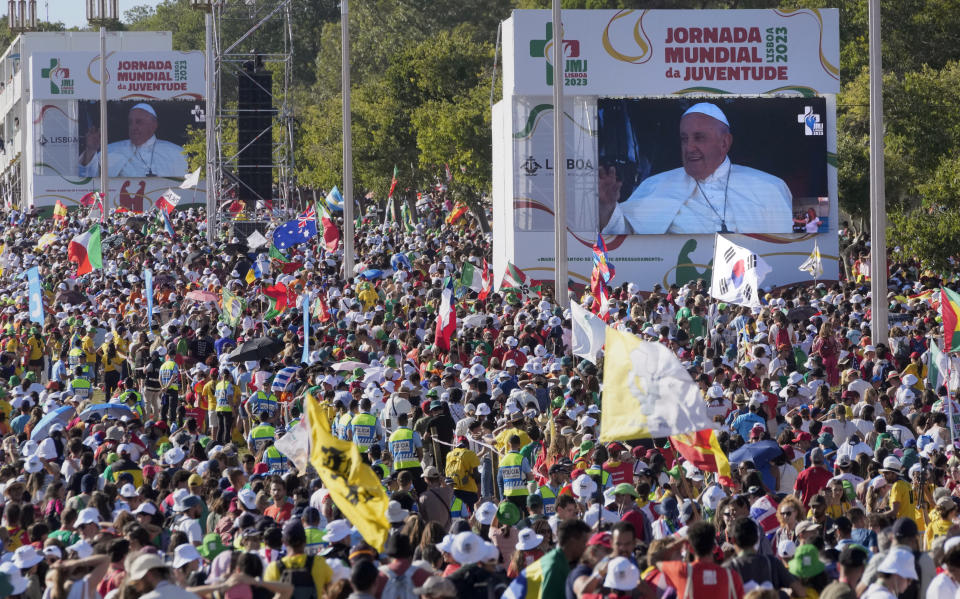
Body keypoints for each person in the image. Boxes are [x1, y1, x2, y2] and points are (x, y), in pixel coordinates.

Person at [598, 102, 793, 234]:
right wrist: (607, 209)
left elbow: (783, 248)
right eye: (684, 139)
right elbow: (627, 235)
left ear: (725, 142)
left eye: (699, 138)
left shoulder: (769, 187)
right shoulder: (656, 185)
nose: (689, 147)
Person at [78, 103, 188, 177]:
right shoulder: (111, 150)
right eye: (130, 122)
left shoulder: (176, 152)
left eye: (139, 122)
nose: (133, 127)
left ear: (154, 125)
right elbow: (88, 176)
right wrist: (91, 150)